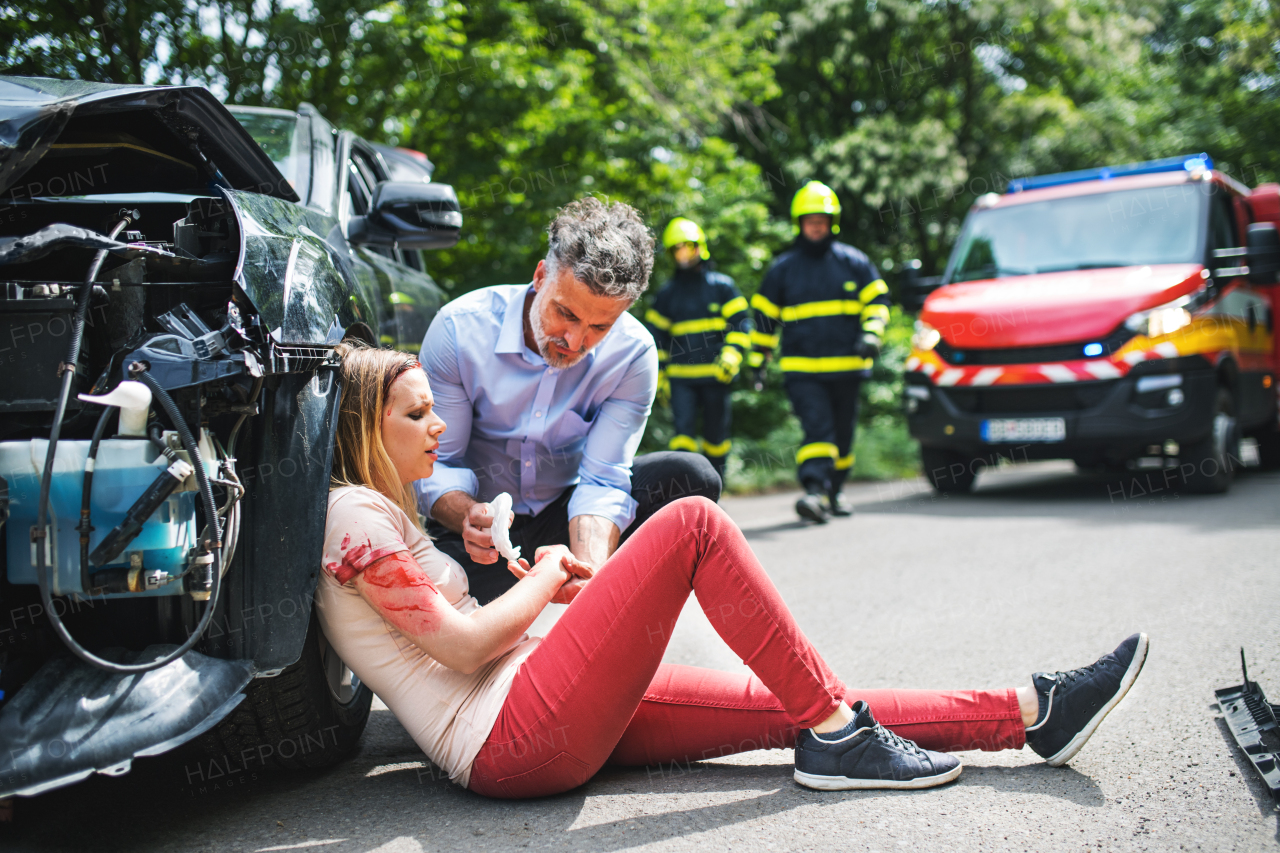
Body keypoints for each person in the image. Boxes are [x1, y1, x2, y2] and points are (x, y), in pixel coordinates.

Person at [318, 342, 1150, 798]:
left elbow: (455, 633)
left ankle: (1031, 713)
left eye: (435, 409)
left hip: (537, 695)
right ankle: (838, 736)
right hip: (509, 737)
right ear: (364, 427)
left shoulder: (383, 512)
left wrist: (546, 577)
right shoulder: (352, 516)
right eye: (417, 414)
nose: (438, 429)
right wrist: (544, 577)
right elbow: (462, 650)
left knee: (788, 700)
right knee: (692, 522)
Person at [417, 198, 720, 604]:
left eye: (600, 326)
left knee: (690, 476)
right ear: (541, 276)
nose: (575, 342)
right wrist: (470, 517)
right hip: (478, 534)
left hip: (567, 514)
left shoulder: (633, 354)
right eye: (565, 313)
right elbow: (438, 463)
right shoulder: (459, 330)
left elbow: (603, 478)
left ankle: (614, 616)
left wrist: (589, 574)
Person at [752, 181, 892, 524]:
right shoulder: (783, 269)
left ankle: (835, 490)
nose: (816, 225)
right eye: (809, 219)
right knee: (818, 429)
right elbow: (764, 320)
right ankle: (813, 490)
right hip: (803, 370)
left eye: (821, 219)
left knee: (843, 433)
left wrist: (872, 334)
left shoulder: (854, 262)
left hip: (848, 367)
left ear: (832, 223)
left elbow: (877, 303)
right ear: (799, 223)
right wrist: (758, 361)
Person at [645, 217, 754, 482]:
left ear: (700, 248)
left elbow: (741, 324)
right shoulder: (668, 294)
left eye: (687, 246)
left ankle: (716, 488)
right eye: (677, 248)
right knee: (682, 437)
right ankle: (686, 490)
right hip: (682, 380)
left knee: (716, 438)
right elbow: (654, 338)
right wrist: (660, 377)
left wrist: (732, 354)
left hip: (717, 377)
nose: (683, 253)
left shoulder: (722, 287)